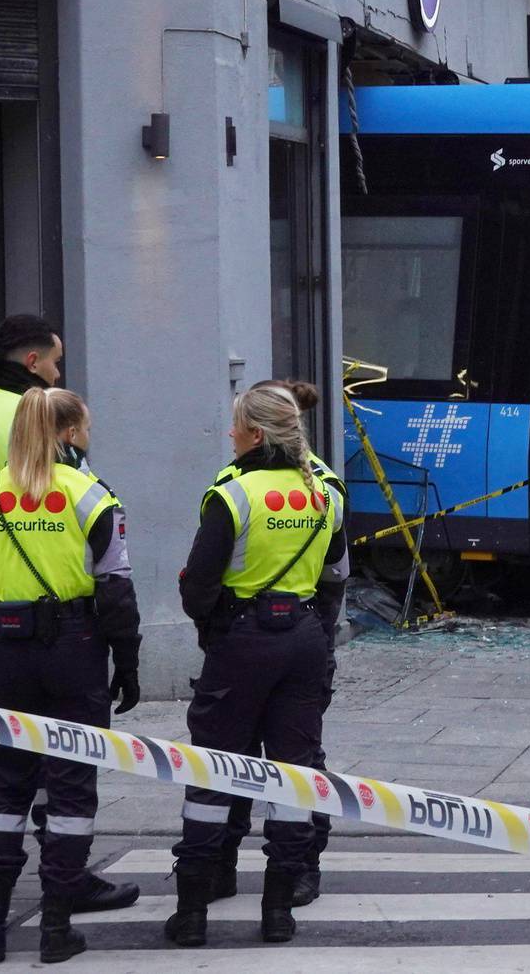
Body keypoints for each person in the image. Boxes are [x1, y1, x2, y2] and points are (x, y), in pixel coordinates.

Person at [0, 315, 137, 916]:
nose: (57, 374)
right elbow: (97, 552)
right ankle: (63, 873)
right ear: (32, 367)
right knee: (63, 753)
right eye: (53, 363)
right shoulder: (32, 417)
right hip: (57, 616)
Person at [167, 385, 344, 947]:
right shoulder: (325, 494)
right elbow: (335, 574)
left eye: (238, 425)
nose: (231, 434)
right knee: (294, 775)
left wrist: (220, 625)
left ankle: (193, 909)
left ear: (258, 434)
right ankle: (278, 909)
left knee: (214, 771)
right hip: (305, 636)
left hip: (243, 641)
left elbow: (197, 586)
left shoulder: (233, 495)